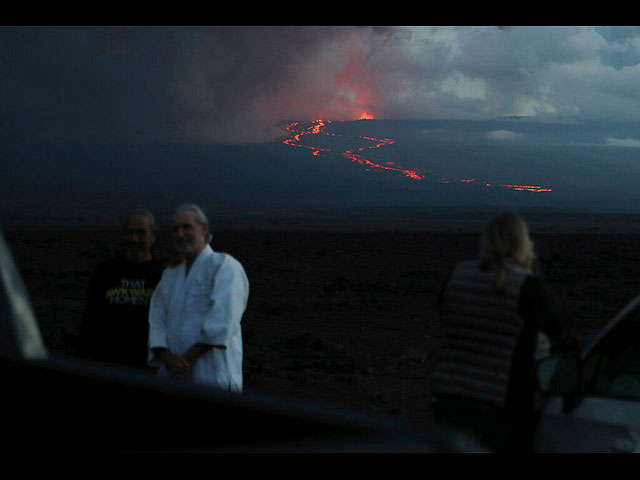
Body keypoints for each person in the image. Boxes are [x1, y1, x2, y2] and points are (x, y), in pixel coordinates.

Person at [430, 211, 572, 453]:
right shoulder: (526, 288)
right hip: (502, 410)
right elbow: (562, 330)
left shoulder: (457, 275)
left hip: (448, 400)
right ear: (523, 242)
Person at [148, 204, 249, 392]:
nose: (180, 234)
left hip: (211, 374)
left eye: (186, 227)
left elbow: (223, 320)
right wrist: (166, 357)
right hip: (172, 374)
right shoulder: (170, 276)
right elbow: (157, 320)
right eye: (175, 229)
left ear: (203, 228)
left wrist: (186, 359)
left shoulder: (224, 267)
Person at [77, 209, 164, 371]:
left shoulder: (164, 275)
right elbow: (90, 317)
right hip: (107, 363)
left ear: (153, 236)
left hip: (149, 366)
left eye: (141, 233)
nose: (134, 239)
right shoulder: (105, 271)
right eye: (129, 233)